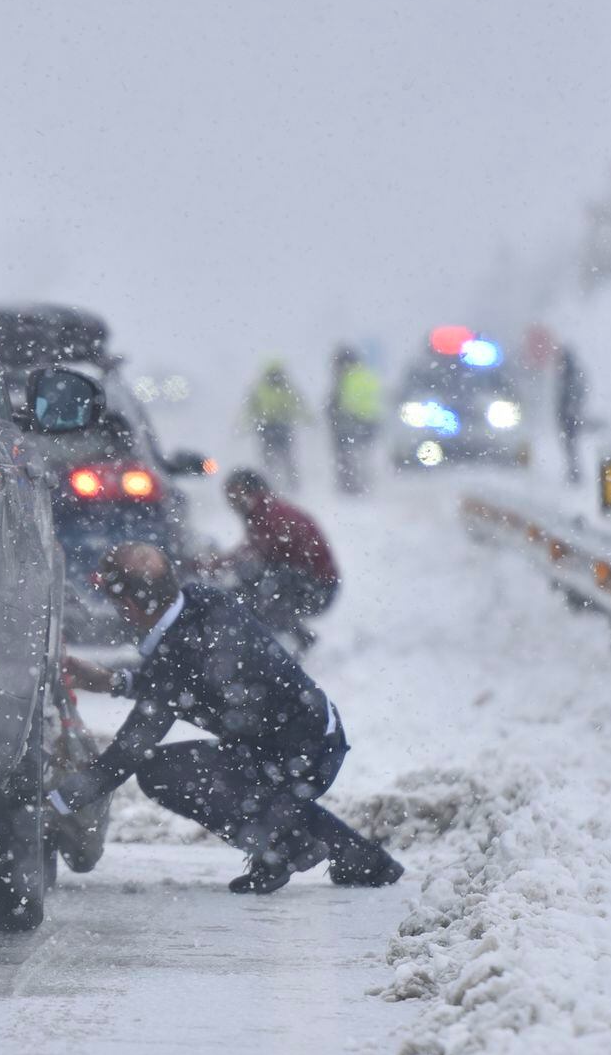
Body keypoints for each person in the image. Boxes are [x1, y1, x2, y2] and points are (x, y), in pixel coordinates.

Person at [49, 544, 403, 895]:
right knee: (268, 796)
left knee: (160, 773)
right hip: (312, 737)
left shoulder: (179, 653)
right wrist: (113, 681)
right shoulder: (202, 600)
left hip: (299, 756)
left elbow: (127, 752)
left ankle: (282, 847)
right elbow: (179, 681)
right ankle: (362, 859)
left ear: (127, 605)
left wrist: (51, 805)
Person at [199, 468, 339, 651]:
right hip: (316, 584)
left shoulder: (268, 514)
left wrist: (216, 565)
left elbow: (257, 552)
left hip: (317, 588)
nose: (231, 502)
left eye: (234, 494)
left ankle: (274, 647)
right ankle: (288, 639)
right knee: (256, 588)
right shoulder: (266, 510)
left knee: (259, 590)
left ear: (250, 492)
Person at [326, 344, 384, 494]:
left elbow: (337, 402)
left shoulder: (345, 377)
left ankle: (350, 485)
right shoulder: (368, 374)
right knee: (364, 454)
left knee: (346, 455)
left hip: (351, 422)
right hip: (371, 422)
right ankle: (366, 482)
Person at [242, 361, 308, 489]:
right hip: (273, 427)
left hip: (271, 428)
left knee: (281, 458)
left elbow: (298, 406)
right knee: (279, 458)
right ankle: (279, 484)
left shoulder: (261, 389)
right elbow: (298, 406)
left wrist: (243, 426)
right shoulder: (283, 389)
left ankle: (285, 484)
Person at [556, 341, 588, 483]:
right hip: (570, 415)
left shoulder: (569, 375)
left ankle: (574, 472)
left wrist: (571, 410)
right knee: (570, 445)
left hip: (569, 416)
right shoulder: (567, 374)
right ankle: (573, 471)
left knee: (571, 445)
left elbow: (570, 395)